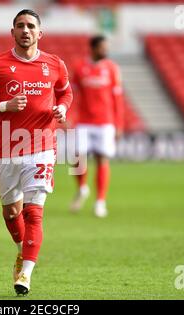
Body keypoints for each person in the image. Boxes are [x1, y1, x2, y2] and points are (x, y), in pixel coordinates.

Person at [0, 9, 73, 295]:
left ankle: (25, 275)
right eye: (20, 26)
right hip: (8, 151)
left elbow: (66, 92)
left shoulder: (55, 64)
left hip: (42, 148)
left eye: (31, 26)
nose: (25, 30)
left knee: (34, 213)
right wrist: (4, 105)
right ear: (12, 32)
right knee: (11, 211)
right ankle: (21, 250)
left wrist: (63, 108)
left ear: (40, 33)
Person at [69, 35, 124, 218]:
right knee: (77, 158)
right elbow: (72, 95)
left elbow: (117, 98)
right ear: (92, 48)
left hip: (105, 122)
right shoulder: (79, 68)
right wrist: (69, 116)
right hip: (84, 121)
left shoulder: (112, 69)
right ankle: (82, 188)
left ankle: (100, 201)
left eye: (106, 47)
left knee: (102, 159)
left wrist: (119, 124)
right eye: (102, 47)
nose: (105, 51)